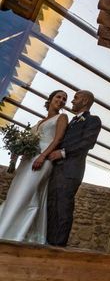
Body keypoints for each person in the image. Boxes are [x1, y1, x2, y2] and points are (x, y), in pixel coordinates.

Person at [0, 90, 69, 243]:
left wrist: (43, 156)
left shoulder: (62, 117)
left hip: (42, 160)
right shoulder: (39, 122)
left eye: (64, 99)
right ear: (50, 99)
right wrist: (16, 154)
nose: (62, 100)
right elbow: (29, 142)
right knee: (15, 193)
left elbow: (57, 139)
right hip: (26, 161)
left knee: (28, 193)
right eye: (58, 97)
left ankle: (13, 234)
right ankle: (9, 229)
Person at [46, 90, 101, 246]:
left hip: (71, 171)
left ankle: (59, 245)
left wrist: (63, 153)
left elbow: (87, 143)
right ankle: (48, 241)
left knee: (63, 206)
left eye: (75, 98)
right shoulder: (71, 122)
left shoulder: (93, 120)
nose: (71, 101)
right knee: (51, 205)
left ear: (84, 101)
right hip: (56, 170)